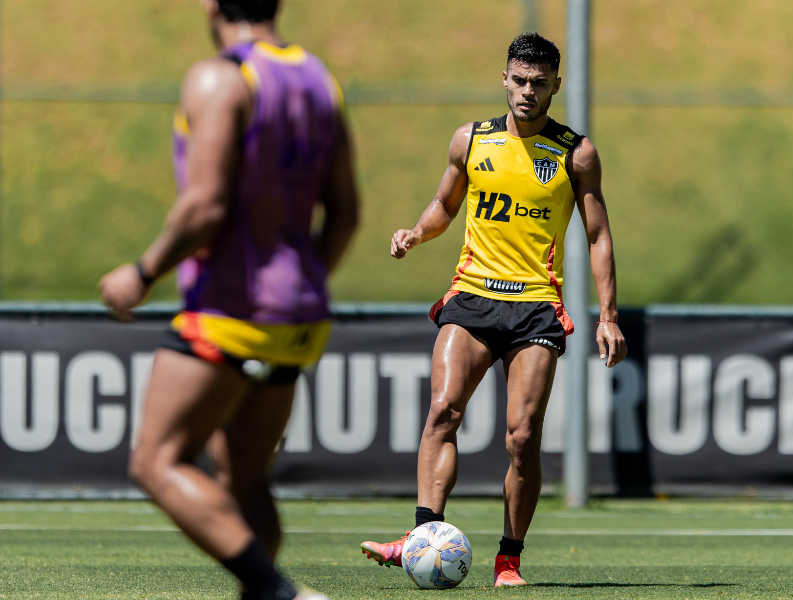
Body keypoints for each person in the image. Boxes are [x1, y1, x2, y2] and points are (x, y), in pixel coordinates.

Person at [99, 1, 358, 598]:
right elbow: (346, 210)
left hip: (230, 310)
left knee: (157, 462)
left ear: (211, 4)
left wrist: (141, 273)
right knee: (245, 479)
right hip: (300, 315)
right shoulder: (321, 80)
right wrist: (305, 279)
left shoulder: (220, 76)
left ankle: (278, 592)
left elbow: (205, 204)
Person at [360, 32, 626, 587]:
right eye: (519, 80)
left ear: (556, 84)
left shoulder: (576, 153)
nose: (527, 91)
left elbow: (598, 235)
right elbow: (444, 205)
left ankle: (509, 561)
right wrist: (416, 233)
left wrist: (608, 315)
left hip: (535, 307)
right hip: (473, 297)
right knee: (442, 412)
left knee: (522, 437)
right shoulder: (470, 140)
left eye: (538, 82)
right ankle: (420, 537)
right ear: (504, 78)